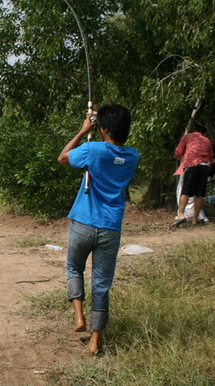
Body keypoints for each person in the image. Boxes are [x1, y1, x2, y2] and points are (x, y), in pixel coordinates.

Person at [57, 104, 140, 355]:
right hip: (110, 228)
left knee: (74, 268)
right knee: (102, 284)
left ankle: (79, 317)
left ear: (103, 128)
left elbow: (62, 157)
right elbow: (112, 152)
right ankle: (95, 339)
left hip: (83, 223)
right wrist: (99, 127)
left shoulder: (92, 150)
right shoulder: (133, 156)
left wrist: (84, 129)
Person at [172, 124, 214, 227]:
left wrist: (178, 155)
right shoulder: (207, 140)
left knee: (185, 191)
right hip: (204, 166)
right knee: (200, 194)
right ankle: (195, 219)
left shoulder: (188, 137)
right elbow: (211, 157)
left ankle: (181, 215)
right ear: (204, 133)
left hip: (192, 164)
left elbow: (178, 152)